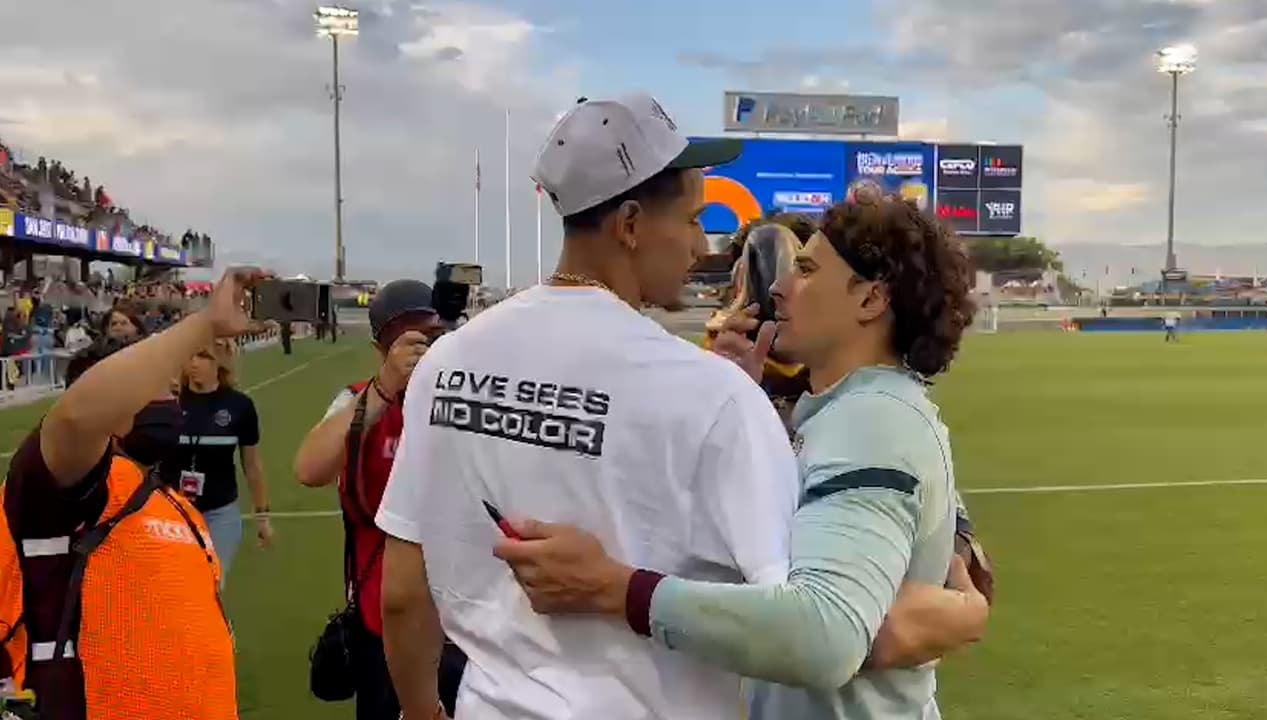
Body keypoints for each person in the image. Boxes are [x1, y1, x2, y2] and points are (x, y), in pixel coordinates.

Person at [374, 94, 985, 720]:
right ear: (630, 224)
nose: (702, 245)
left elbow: (402, 592)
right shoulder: (715, 395)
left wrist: (421, 711)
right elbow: (820, 624)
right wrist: (954, 611)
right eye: (693, 219)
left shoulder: (446, 362)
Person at [493, 194, 988, 719]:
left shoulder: (871, 421)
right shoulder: (844, 412)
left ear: (870, 300)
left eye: (806, 270)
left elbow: (828, 635)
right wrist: (737, 406)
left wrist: (612, 589)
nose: (777, 287)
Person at [0, 268, 262, 720]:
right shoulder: (60, 488)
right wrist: (205, 323)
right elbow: (78, 417)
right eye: (157, 394)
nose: (171, 406)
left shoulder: (172, 503)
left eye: (172, 394)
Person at [294, 279, 465, 720]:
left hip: (465, 617)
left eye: (428, 336)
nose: (418, 350)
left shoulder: (467, 398)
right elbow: (309, 468)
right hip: (383, 617)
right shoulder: (359, 400)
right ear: (380, 349)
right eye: (402, 340)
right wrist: (385, 387)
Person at [172, 338, 272, 589]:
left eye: (202, 356)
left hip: (220, 513)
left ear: (220, 360)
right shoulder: (171, 403)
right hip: (174, 511)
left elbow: (252, 465)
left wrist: (262, 516)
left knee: (210, 584)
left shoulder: (240, 406)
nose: (194, 363)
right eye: (190, 356)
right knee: (177, 586)